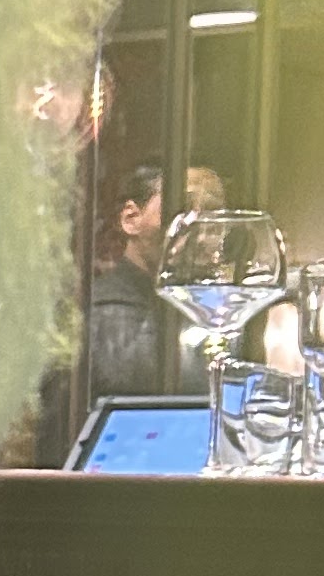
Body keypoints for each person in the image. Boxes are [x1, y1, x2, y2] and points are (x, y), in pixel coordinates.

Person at [85, 159, 223, 404]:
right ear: (130, 218)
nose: (201, 229)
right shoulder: (104, 310)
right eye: (182, 209)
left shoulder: (208, 305)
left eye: (212, 213)